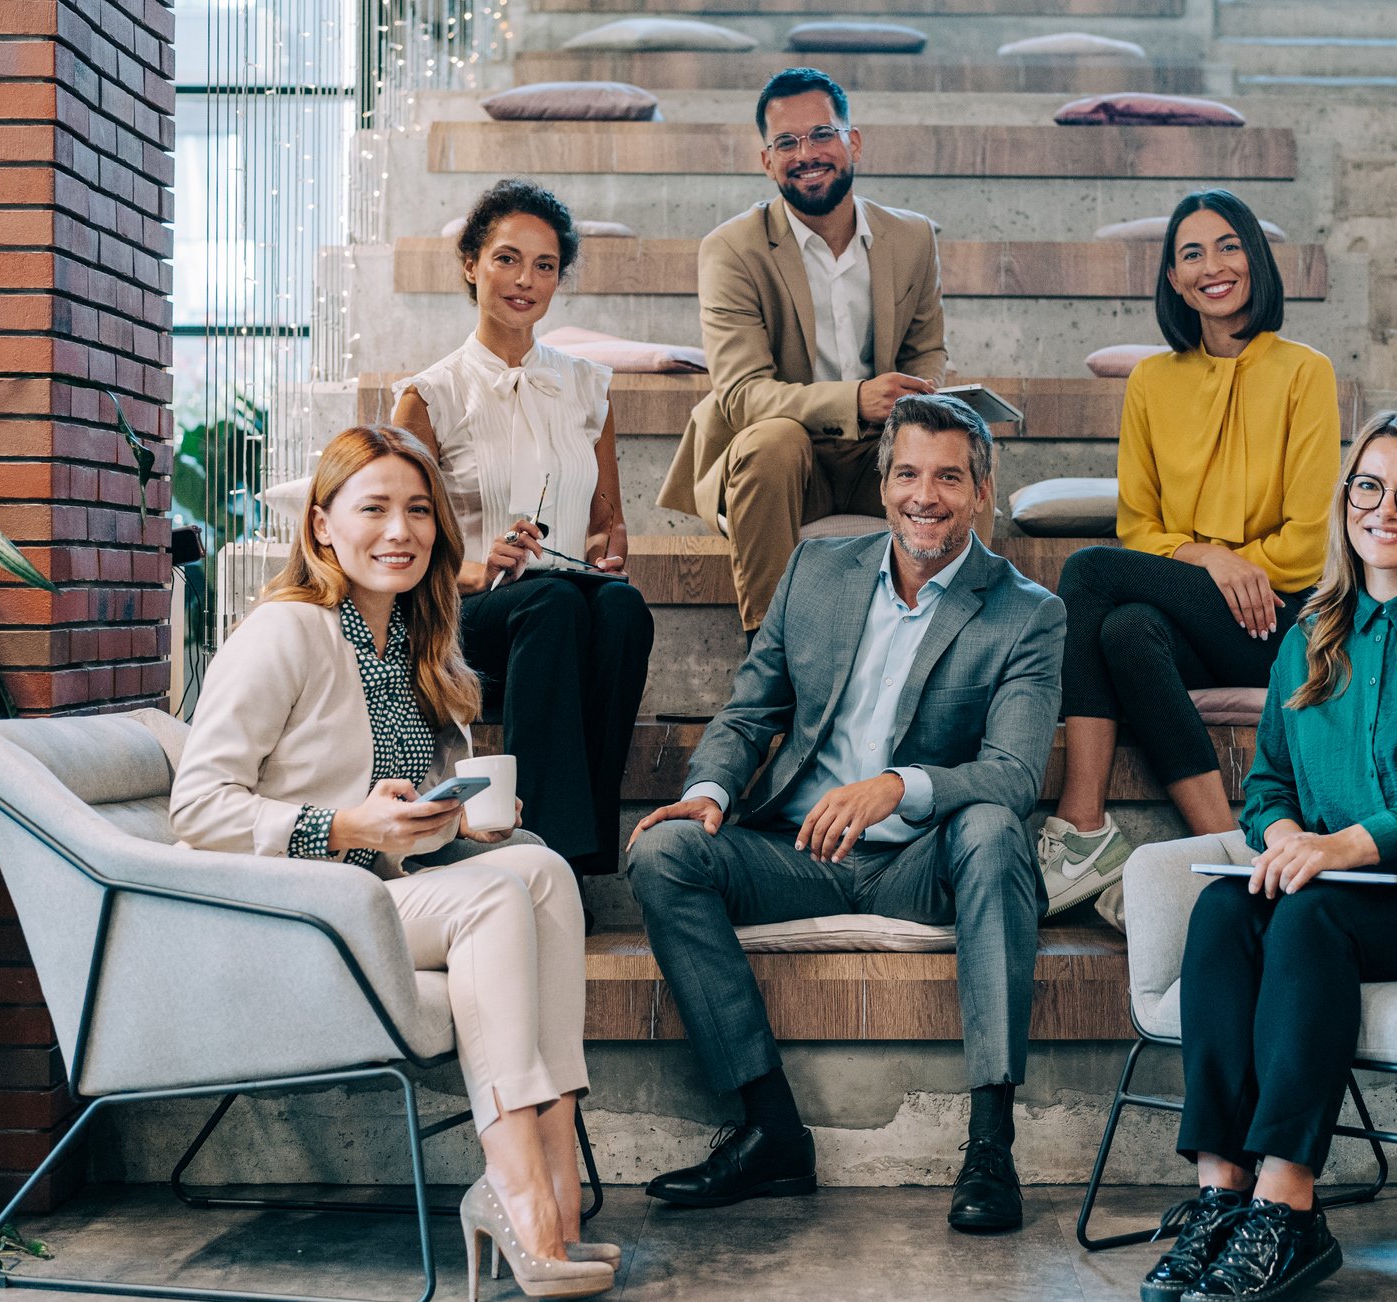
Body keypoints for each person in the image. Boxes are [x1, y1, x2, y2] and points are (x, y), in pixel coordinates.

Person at [171, 425, 617, 1299]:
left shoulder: (414, 636)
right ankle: (516, 1184)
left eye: (418, 510)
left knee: (542, 873)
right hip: (294, 908)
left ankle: (556, 1169)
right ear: (322, 525)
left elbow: (395, 811)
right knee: (491, 904)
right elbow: (199, 809)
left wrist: (457, 822)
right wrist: (347, 826)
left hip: (372, 896)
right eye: (372, 508)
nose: (399, 531)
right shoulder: (284, 632)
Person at [1143, 411, 1397, 1302]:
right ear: (1344, 502)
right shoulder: (1309, 636)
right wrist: (1285, 838)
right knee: (1223, 910)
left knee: (1309, 915)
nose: (1386, 508)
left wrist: (1337, 848)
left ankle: (1287, 1205)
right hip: (1340, 878)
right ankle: (1220, 1193)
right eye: (1368, 486)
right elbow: (1267, 786)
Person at [627, 393, 1063, 1235]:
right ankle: (771, 1132)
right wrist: (709, 792)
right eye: (907, 475)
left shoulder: (1026, 613)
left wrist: (898, 786)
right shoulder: (815, 571)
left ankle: (989, 1145)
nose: (924, 496)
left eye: (948, 478)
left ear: (981, 490)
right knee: (663, 852)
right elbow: (748, 712)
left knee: (991, 827)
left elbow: (1011, 775)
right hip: (796, 853)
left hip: (919, 865)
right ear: (883, 482)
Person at [1042, 190, 1341, 917]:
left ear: (1255, 259)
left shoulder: (1305, 372)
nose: (1213, 266)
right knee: (1125, 629)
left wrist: (1235, 567)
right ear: (1174, 280)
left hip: (1277, 623)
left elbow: (1305, 545)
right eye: (1192, 254)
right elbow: (1139, 526)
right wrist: (1209, 557)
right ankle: (1228, 848)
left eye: (1228, 246)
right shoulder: (1152, 381)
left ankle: (1079, 825)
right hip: (1192, 612)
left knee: (1086, 572)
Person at [394, 179, 653, 890]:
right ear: (471, 264)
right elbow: (398, 541)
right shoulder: (429, 395)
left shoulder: (588, 388)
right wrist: (476, 567)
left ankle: (580, 857)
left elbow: (606, 521)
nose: (525, 281)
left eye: (544, 266)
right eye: (507, 259)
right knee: (553, 605)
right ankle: (543, 856)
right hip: (463, 609)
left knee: (620, 608)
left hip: (557, 604)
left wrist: (606, 552)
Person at [657, 66, 975, 637]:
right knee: (771, 443)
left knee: (962, 447)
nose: (806, 154)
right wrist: (854, 400)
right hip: (788, 465)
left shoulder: (912, 237)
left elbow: (927, 349)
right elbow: (741, 395)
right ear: (767, 161)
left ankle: (954, 641)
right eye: (787, 142)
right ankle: (769, 653)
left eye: (822, 134)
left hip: (880, 452)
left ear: (854, 141)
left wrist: (917, 401)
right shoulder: (732, 248)